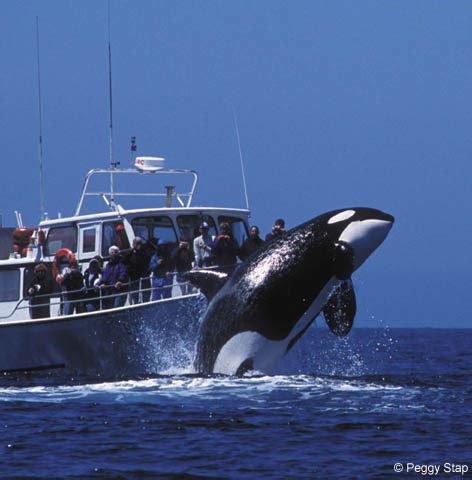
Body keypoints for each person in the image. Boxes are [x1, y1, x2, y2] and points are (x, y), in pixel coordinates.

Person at [124, 237, 152, 304]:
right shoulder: (130, 253)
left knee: (146, 291)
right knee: (134, 292)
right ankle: (136, 303)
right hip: (134, 275)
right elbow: (124, 262)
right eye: (136, 244)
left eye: (139, 243)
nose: (137, 245)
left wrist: (141, 251)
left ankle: (146, 303)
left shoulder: (145, 252)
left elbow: (148, 259)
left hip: (144, 274)